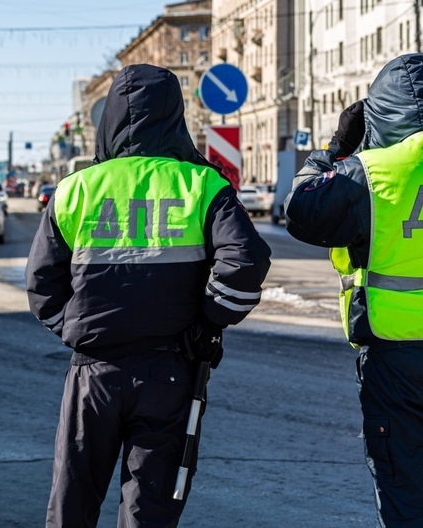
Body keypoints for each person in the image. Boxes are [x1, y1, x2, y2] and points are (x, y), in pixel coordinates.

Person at [25, 64, 272, 528]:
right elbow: (247, 261)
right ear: (175, 117)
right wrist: (210, 319)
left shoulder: (75, 189)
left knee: (72, 500)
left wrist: (76, 328)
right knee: (149, 507)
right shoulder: (201, 184)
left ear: (109, 117)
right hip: (169, 371)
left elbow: (42, 284)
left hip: (92, 371)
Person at [284, 53, 423, 527]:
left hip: (395, 360)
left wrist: (333, 149)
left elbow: (301, 209)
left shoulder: (370, 172)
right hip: (393, 358)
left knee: (404, 486)